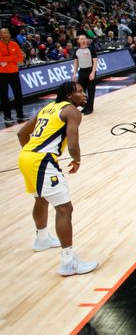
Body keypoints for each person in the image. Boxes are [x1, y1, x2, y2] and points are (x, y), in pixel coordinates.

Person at [17, 81, 98, 276]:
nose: (84, 94)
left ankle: (42, 239)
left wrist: (31, 154)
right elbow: (72, 145)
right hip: (41, 161)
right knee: (64, 208)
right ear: (69, 96)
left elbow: (21, 133)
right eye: (79, 91)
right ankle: (68, 261)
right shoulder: (72, 112)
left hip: (26, 157)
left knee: (41, 199)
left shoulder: (48, 108)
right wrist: (77, 160)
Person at [0, 27, 25, 123]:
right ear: (0, 35)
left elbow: (20, 59)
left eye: (7, 32)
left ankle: (20, 114)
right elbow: (0, 59)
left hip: (14, 72)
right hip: (2, 73)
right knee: (4, 96)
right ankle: (7, 116)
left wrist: (7, 59)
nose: (5, 34)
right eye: (3, 33)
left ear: (9, 34)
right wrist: (13, 58)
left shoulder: (14, 44)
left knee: (18, 94)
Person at [71, 34, 97, 115]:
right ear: (78, 41)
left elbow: (95, 61)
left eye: (85, 38)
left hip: (90, 71)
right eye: (81, 39)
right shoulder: (76, 51)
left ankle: (90, 108)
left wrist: (93, 73)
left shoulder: (91, 49)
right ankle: (85, 106)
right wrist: (74, 73)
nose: (84, 40)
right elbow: (76, 62)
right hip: (82, 72)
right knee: (81, 91)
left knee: (91, 91)